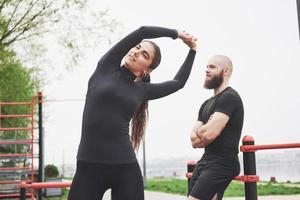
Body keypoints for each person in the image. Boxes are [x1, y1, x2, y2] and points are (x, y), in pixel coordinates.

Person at [68, 26, 197, 200]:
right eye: (137, 47)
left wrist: (192, 50)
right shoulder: (105, 67)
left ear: (147, 70)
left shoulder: (142, 91)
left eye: (145, 55)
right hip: (88, 165)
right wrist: (176, 34)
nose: (137, 52)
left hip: (124, 167)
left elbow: (178, 82)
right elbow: (143, 31)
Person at [188, 55, 244, 200]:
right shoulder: (206, 104)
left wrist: (203, 130)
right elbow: (194, 141)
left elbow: (208, 135)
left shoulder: (230, 97)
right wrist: (207, 127)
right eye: (207, 67)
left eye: (212, 67)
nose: (207, 70)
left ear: (225, 71)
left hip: (223, 163)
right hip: (205, 160)